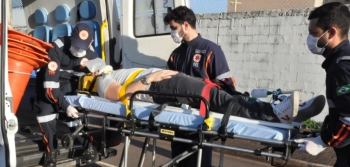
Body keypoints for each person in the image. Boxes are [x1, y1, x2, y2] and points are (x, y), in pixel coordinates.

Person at [163, 6, 240, 167]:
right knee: (179, 165)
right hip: (179, 121)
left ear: (185, 25)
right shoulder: (175, 55)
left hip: (202, 121)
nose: (171, 32)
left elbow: (227, 88)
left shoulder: (210, 50)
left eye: (173, 27)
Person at [294, 3, 350, 167]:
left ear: (332, 32)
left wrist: (323, 139)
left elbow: (348, 119)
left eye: (314, 32)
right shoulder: (341, 60)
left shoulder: (342, 66)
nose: (310, 38)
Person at [82, 64, 300, 124]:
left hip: (165, 82)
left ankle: (277, 107)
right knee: (214, 98)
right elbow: (119, 94)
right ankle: (274, 113)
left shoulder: (112, 72)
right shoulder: (103, 80)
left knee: (218, 94)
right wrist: (149, 79)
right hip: (157, 87)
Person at [36, 23, 98, 167]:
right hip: (49, 83)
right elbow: (50, 86)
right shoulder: (56, 47)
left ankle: (88, 145)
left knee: (77, 115)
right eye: (76, 44)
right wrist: (65, 105)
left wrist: (96, 71)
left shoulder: (91, 53)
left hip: (69, 84)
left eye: (82, 46)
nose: (77, 49)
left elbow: (98, 73)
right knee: (46, 114)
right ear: (71, 38)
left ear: (90, 43)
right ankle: (51, 151)